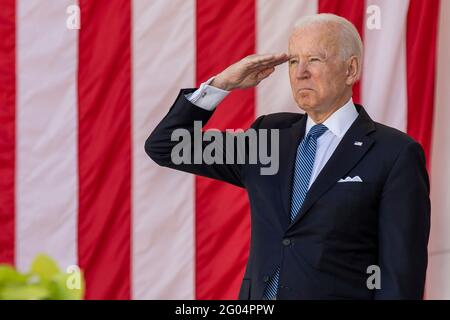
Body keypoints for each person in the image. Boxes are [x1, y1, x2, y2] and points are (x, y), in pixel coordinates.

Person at [145, 13, 430, 300]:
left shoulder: (394, 153)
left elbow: (400, 276)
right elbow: (167, 147)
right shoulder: (269, 136)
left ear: (350, 70)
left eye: (315, 59)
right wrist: (222, 85)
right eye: (294, 61)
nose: (300, 72)